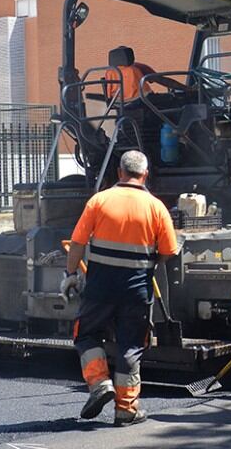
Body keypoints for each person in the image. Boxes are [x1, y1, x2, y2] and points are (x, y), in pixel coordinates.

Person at [64, 150, 178, 427]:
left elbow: (77, 243)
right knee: (131, 346)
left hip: (99, 288)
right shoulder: (156, 207)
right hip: (136, 290)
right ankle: (126, 410)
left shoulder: (99, 201)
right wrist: (146, 262)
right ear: (146, 175)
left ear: (119, 172)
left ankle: (100, 383)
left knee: (86, 335)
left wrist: (69, 274)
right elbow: (169, 252)